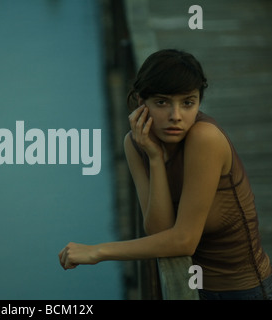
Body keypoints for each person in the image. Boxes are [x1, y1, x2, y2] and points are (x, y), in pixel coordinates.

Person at [58, 49, 272, 300]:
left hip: (244, 292)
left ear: (198, 103)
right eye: (162, 102)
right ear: (141, 103)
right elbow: (160, 230)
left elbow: (183, 241)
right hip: (192, 288)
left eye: (188, 103)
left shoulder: (205, 139)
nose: (175, 116)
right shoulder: (135, 144)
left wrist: (98, 251)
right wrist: (156, 158)